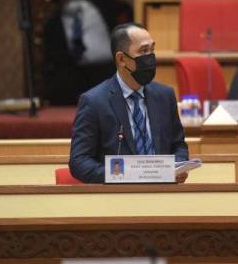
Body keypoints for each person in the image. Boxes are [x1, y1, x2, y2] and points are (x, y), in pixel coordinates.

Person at [69, 23, 189, 183]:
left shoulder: (165, 96)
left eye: (152, 50)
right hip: (119, 199)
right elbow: (79, 162)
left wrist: (178, 165)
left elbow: (178, 144)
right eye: (143, 51)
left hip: (163, 193)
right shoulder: (94, 102)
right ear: (121, 59)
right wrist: (122, 175)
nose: (150, 57)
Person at [43, 0, 133, 105]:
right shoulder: (53, 25)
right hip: (76, 74)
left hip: (107, 68)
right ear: (58, 0)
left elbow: (125, 9)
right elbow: (54, 59)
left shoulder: (97, 2)